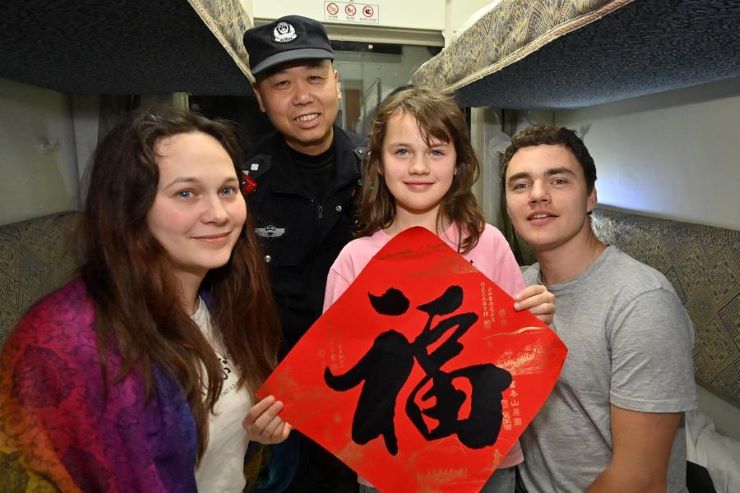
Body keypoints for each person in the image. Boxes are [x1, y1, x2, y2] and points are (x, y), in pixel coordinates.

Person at [0, 108, 291, 492]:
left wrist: (254, 435)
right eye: (186, 193)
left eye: (227, 190)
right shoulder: (60, 342)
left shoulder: (226, 304)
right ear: (129, 207)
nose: (219, 214)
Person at [323, 86, 556, 493]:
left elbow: (518, 361)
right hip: (390, 466)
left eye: (436, 151)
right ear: (378, 162)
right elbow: (334, 372)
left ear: (458, 163)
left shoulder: (488, 243)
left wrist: (536, 325)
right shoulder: (354, 261)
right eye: (402, 151)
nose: (419, 167)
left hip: (486, 460)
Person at [502, 125, 697, 492]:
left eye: (558, 181)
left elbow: (640, 481)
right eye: (520, 185)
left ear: (590, 197)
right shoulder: (516, 290)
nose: (537, 195)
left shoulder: (641, 302)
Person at [241, 15, 367, 492]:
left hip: (369, 384)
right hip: (281, 396)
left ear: (335, 80)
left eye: (314, 78)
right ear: (260, 98)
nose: (302, 96)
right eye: (281, 84)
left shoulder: (380, 171)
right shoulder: (242, 185)